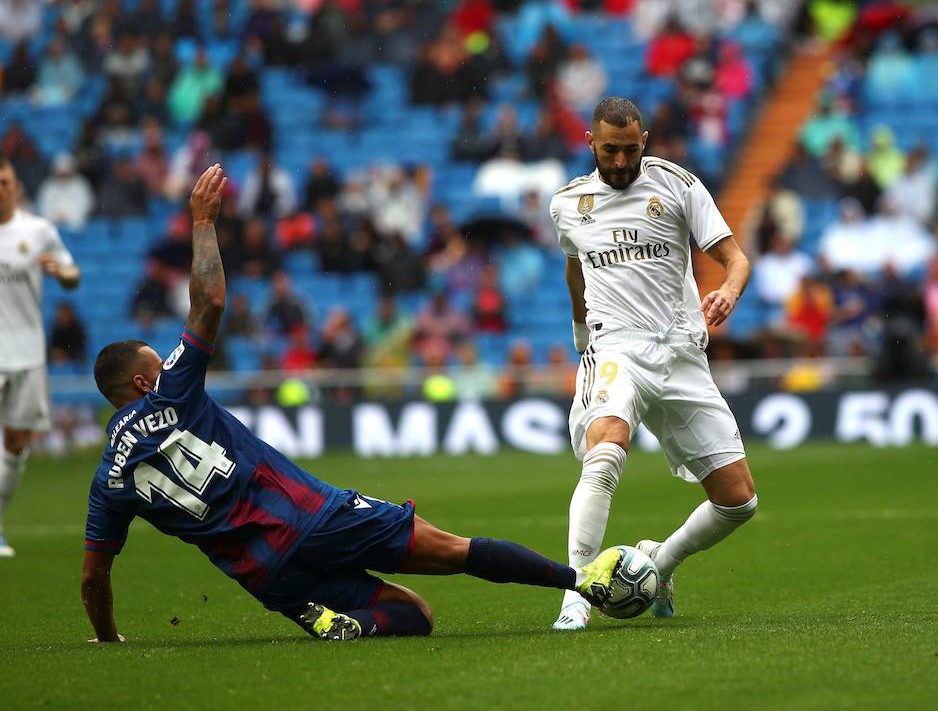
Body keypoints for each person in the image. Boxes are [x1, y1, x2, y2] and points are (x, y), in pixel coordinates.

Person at [81, 165, 633, 643]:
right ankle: (581, 584)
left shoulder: (109, 477)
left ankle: (342, 622)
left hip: (269, 579)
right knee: (453, 552)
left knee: (408, 615)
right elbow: (210, 301)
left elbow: (93, 575)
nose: (166, 366)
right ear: (139, 381)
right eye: (156, 364)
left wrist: (108, 636)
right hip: (314, 517)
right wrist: (203, 222)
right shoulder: (172, 390)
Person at [548, 96, 756, 631]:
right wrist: (579, 331)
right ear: (590, 142)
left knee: (739, 501)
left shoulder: (677, 185)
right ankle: (576, 592)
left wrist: (729, 291)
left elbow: (735, 258)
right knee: (606, 451)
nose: (620, 162)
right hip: (616, 346)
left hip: (681, 352)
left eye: (630, 150)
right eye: (610, 150)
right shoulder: (569, 204)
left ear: (647, 141)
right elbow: (576, 272)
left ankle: (658, 564)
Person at [0, 155, 82, 557]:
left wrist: (60, 272)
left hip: (28, 353)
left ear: (15, 185)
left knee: (16, 443)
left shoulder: (37, 230)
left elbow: (72, 274)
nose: (1, 189)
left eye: (5, 181)